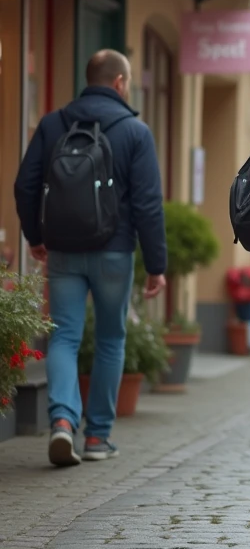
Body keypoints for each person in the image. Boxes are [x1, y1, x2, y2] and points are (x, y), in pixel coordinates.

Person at [13, 49, 167, 467]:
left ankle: (63, 421)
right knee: (110, 339)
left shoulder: (52, 123)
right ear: (119, 82)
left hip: (63, 249)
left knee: (64, 335)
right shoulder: (135, 132)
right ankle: (97, 437)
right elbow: (148, 205)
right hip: (114, 251)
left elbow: (25, 185)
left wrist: (35, 236)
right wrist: (156, 265)